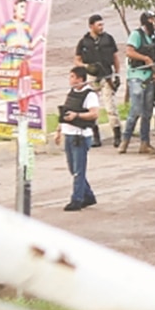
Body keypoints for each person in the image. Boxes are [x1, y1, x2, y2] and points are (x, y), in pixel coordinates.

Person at [54, 66, 99, 211]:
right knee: (73, 168)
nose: (70, 79)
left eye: (73, 77)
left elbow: (94, 114)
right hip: (69, 133)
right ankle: (88, 195)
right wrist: (59, 129)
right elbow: (65, 111)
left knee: (79, 170)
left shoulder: (90, 95)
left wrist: (77, 116)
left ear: (80, 79)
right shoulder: (72, 93)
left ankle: (77, 199)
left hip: (80, 135)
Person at [74, 14, 122, 148]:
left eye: (102, 25)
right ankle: (96, 137)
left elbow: (115, 57)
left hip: (107, 75)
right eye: (99, 25)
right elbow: (77, 60)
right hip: (92, 77)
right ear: (91, 26)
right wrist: (85, 67)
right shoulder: (84, 42)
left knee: (110, 107)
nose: (101, 27)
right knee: (92, 106)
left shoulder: (108, 39)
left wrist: (117, 74)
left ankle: (117, 135)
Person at [120, 11, 155, 155]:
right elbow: (129, 52)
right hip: (136, 76)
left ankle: (145, 143)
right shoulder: (136, 35)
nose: (154, 22)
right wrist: (145, 58)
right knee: (136, 109)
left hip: (151, 77)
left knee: (147, 112)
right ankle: (125, 140)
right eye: (151, 19)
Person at [0, 0, 45, 101]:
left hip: (23, 64)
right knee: (8, 90)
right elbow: (2, 48)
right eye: (22, 7)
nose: (24, 11)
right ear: (15, 7)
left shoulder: (27, 26)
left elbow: (30, 47)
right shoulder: (7, 26)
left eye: (25, 8)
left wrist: (39, 39)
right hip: (10, 64)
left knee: (23, 91)